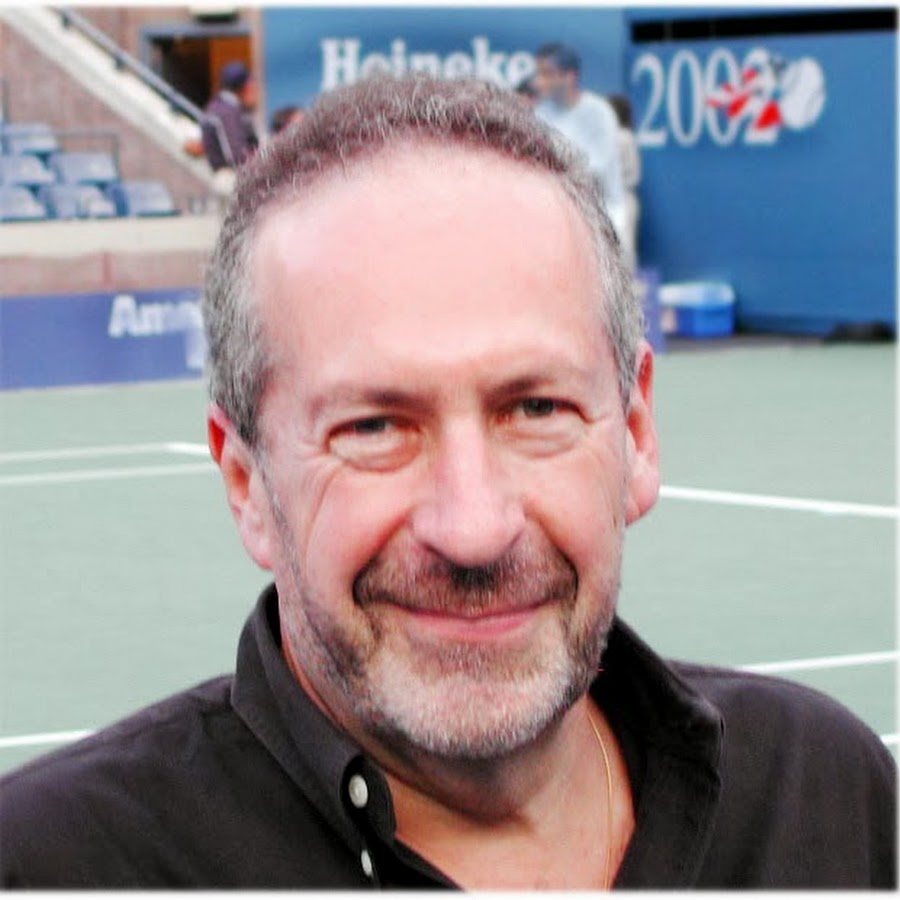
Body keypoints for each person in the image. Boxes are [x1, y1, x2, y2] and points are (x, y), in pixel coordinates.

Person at [0, 74, 894, 890]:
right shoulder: (54, 867)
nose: (474, 528)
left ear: (635, 433)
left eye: (537, 408)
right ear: (247, 484)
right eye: (374, 427)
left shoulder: (823, 796)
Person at [533, 42, 628, 251]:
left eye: (547, 73)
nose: (539, 81)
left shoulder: (600, 112)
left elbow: (598, 168)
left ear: (570, 76)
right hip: (558, 219)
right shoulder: (540, 114)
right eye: (538, 73)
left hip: (606, 216)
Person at [200, 60, 260, 193]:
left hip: (225, 177)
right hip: (231, 178)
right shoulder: (227, 110)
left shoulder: (217, 106)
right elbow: (235, 153)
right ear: (244, 85)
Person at [607, 93, 641, 273]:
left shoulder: (622, 137)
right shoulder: (622, 136)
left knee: (624, 249)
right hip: (614, 198)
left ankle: (628, 287)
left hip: (622, 198)